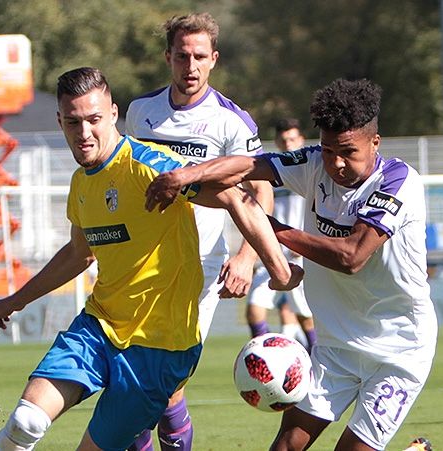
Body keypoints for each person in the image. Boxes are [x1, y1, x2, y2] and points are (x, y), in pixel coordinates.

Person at [0, 67, 301, 451]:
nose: (84, 133)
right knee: (26, 420)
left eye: (94, 120)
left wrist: (274, 266)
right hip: (99, 327)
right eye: (73, 122)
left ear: (113, 114)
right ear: (60, 121)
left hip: (160, 349)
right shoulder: (82, 181)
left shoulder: (151, 166)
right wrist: (16, 300)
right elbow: (78, 254)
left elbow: (237, 196)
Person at [145, 78, 438, 451]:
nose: (335, 162)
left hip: (400, 350)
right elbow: (247, 165)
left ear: (374, 143)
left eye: (347, 151)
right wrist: (186, 175)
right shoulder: (314, 162)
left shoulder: (398, 182)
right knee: (285, 446)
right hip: (336, 348)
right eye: (329, 149)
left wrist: (269, 228)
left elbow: (351, 256)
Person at [125, 13, 274, 450]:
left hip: (199, 265)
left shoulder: (232, 122)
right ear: (168, 57)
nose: (190, 66)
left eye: (200, 57)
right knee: (133, 376)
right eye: (182, 56)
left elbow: (261, 191)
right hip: (142, 261)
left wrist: (246, 257)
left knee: (165, 378)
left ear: (214, 60)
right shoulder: (140, 113)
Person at [247, 118, 317, 351]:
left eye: (292, 139)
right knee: (254, 308)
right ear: (277, 142)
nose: (288, 143)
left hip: (302, 254)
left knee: (305, 317)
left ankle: (315, 362)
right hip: (274, 252)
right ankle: (264, 360)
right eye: (283, 139)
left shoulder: (311, 170)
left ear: (301, 140)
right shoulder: (271, 171)